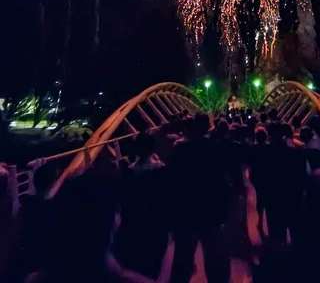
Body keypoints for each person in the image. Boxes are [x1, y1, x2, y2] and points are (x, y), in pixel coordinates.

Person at [23, 172, 154, 283]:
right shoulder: (98, 263)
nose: (120, 214)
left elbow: (119, 271)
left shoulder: (50, 266)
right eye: (117, 209)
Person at [169, 114, 230, 283]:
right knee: (215, 259)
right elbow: (222, 181)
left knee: (183, 259)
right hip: (211, 213)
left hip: (186, 213)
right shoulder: (215, 148)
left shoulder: (180, 150)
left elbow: (173, 180)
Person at [114, 132, 169, 280]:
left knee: (138, 262)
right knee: (154, 262)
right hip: (156, 223)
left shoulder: (129, 174)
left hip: (135, 224)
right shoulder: (161, 171)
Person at [249, 127, 269, 238]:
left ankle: (260, 222)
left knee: (259, 202)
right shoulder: (269, 149)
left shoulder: (253, 149)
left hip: (256, 176)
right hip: (267, 177)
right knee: (267, 201)